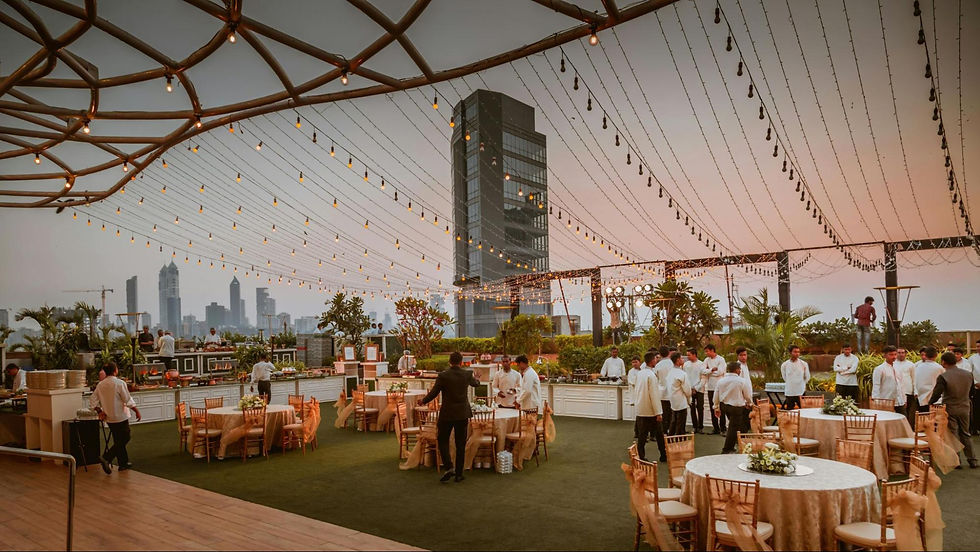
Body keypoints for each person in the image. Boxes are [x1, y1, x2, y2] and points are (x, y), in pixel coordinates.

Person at [418, 352, 480, 482]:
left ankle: (448, 466)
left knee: (442, 440)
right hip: (462, 413)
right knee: (460, 444)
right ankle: (459, 474)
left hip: (447, 413)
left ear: (449, 362)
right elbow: (476, 384)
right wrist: (477, 378)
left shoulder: (443, 375)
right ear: (461, 362)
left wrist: (423, 401)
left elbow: (434, 392)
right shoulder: (467, 374)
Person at [90, 362, 141, 473]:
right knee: (125, 437)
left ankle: (123, 462)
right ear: (115, 371)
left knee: (118, 439)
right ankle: (107, 457)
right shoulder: (119, 383)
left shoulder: (101, 384)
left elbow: (92, 400)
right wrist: (136, 411)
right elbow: (127, 399)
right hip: (120, 416)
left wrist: (99, 411)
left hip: (109, 417)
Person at [928, 352, 977, 469]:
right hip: (965, 407)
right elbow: (972, 393)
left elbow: (936, 393)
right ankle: (972, 460)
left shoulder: (944, 376)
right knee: (966, 433)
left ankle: (957, 461)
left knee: (953, 435)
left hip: (950, 407)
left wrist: (930, 403)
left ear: (944, 362)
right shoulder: (968, 374)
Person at [713, 361, 753, 454]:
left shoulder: (721, 381)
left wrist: (716, 407)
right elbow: (747, 395)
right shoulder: (742, 381)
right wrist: (750, 403)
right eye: (739, 369)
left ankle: (736, 443)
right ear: (737, 370)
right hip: (736, 407)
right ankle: (727, 449)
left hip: (724, 406)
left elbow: (716, 395)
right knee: (733, 428)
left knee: (735, 426)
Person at [633, 351, 665, 461]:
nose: (657, 360)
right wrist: (658, 412)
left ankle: (640, 456)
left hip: (641, 408)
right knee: (659, 434)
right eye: (655, 359)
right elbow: (654, 395)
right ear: (652, 361)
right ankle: (663, 455)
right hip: (650, 410)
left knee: (642, 435)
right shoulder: (651, 375)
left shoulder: (640, 374)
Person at [872, 345, 907, 414]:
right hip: (886, 401)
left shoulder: (898, 367)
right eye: (891, 355)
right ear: (884, 355)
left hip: (899, 401)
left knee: (903, 420)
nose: (894, 357)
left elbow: (901, 384)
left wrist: (904, 399)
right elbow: (876, 386)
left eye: (895, 354)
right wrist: (877, 402)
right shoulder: (879, 369)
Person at [665, 352, 692, 436]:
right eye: (681, 358)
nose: (683, 359)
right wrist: (689, 399)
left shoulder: (670, 372)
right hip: (681, 400)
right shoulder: (681, 373)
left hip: (673, 399)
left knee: (674, 421)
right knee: (680, 424)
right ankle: (679, 441)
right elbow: (687, 390)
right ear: (677, 360)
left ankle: (670, 439)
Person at [703, 344, 726, 435]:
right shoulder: (706, 360)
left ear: (712, 350)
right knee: (713, 407)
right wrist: (711, 370)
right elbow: (702, 371)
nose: (706, 353)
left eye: (707, 351)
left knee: (721, 407)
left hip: (720, 387)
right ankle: (715, 428)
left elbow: (720, 372)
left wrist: (709, 372)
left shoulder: (721, 359)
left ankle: (723, 428)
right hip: (710, 387)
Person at [683, 348, 707, 434]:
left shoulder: (701, 364)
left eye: (689, 355)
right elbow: (684, 377)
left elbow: (703, 378)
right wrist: (689, 388)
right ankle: (695, 426)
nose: (688, 357)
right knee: (692, 408)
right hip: (689, 389)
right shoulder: (685, 365)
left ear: (694, 355)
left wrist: (696, 388)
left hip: (699, 389)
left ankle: (700, 426)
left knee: (700, 408)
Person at [654, 347, 677, 433]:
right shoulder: (672, 364)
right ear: (668, 353)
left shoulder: (658, 365)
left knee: (664, 413)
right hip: (672, 391)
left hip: (662, 392)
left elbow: (655, 378)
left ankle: (663, 431)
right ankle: (671, 431)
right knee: (672, 413)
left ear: (659, 354)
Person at [913, 347, 943, 413]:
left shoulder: (918, 367)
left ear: (925, 355)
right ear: (936, 355)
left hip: (921, 398)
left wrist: (916, 392)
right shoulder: (939, 368)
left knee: (923, 419)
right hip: (935, 399)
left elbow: (914, 381)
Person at [780, 345, 810, 410]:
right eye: (795, 352)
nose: (797, 354)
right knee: (789, 411)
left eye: (798, 352)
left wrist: (802, 385)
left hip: (800, 391)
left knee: (803, 411)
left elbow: (807, 377)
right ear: (790, 353)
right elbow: (784, 377)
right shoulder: (784, 365)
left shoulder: (804, 364)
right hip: (789, 391)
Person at [895, 348, 917, 419]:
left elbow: (914, 379)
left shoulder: (911, 365)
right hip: (897, 392)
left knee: (907, 411)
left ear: (905, 354)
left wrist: (915, 391)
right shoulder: (893, 364)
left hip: (908, 391)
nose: (901, 354)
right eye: (899, 353)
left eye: (902, 353)